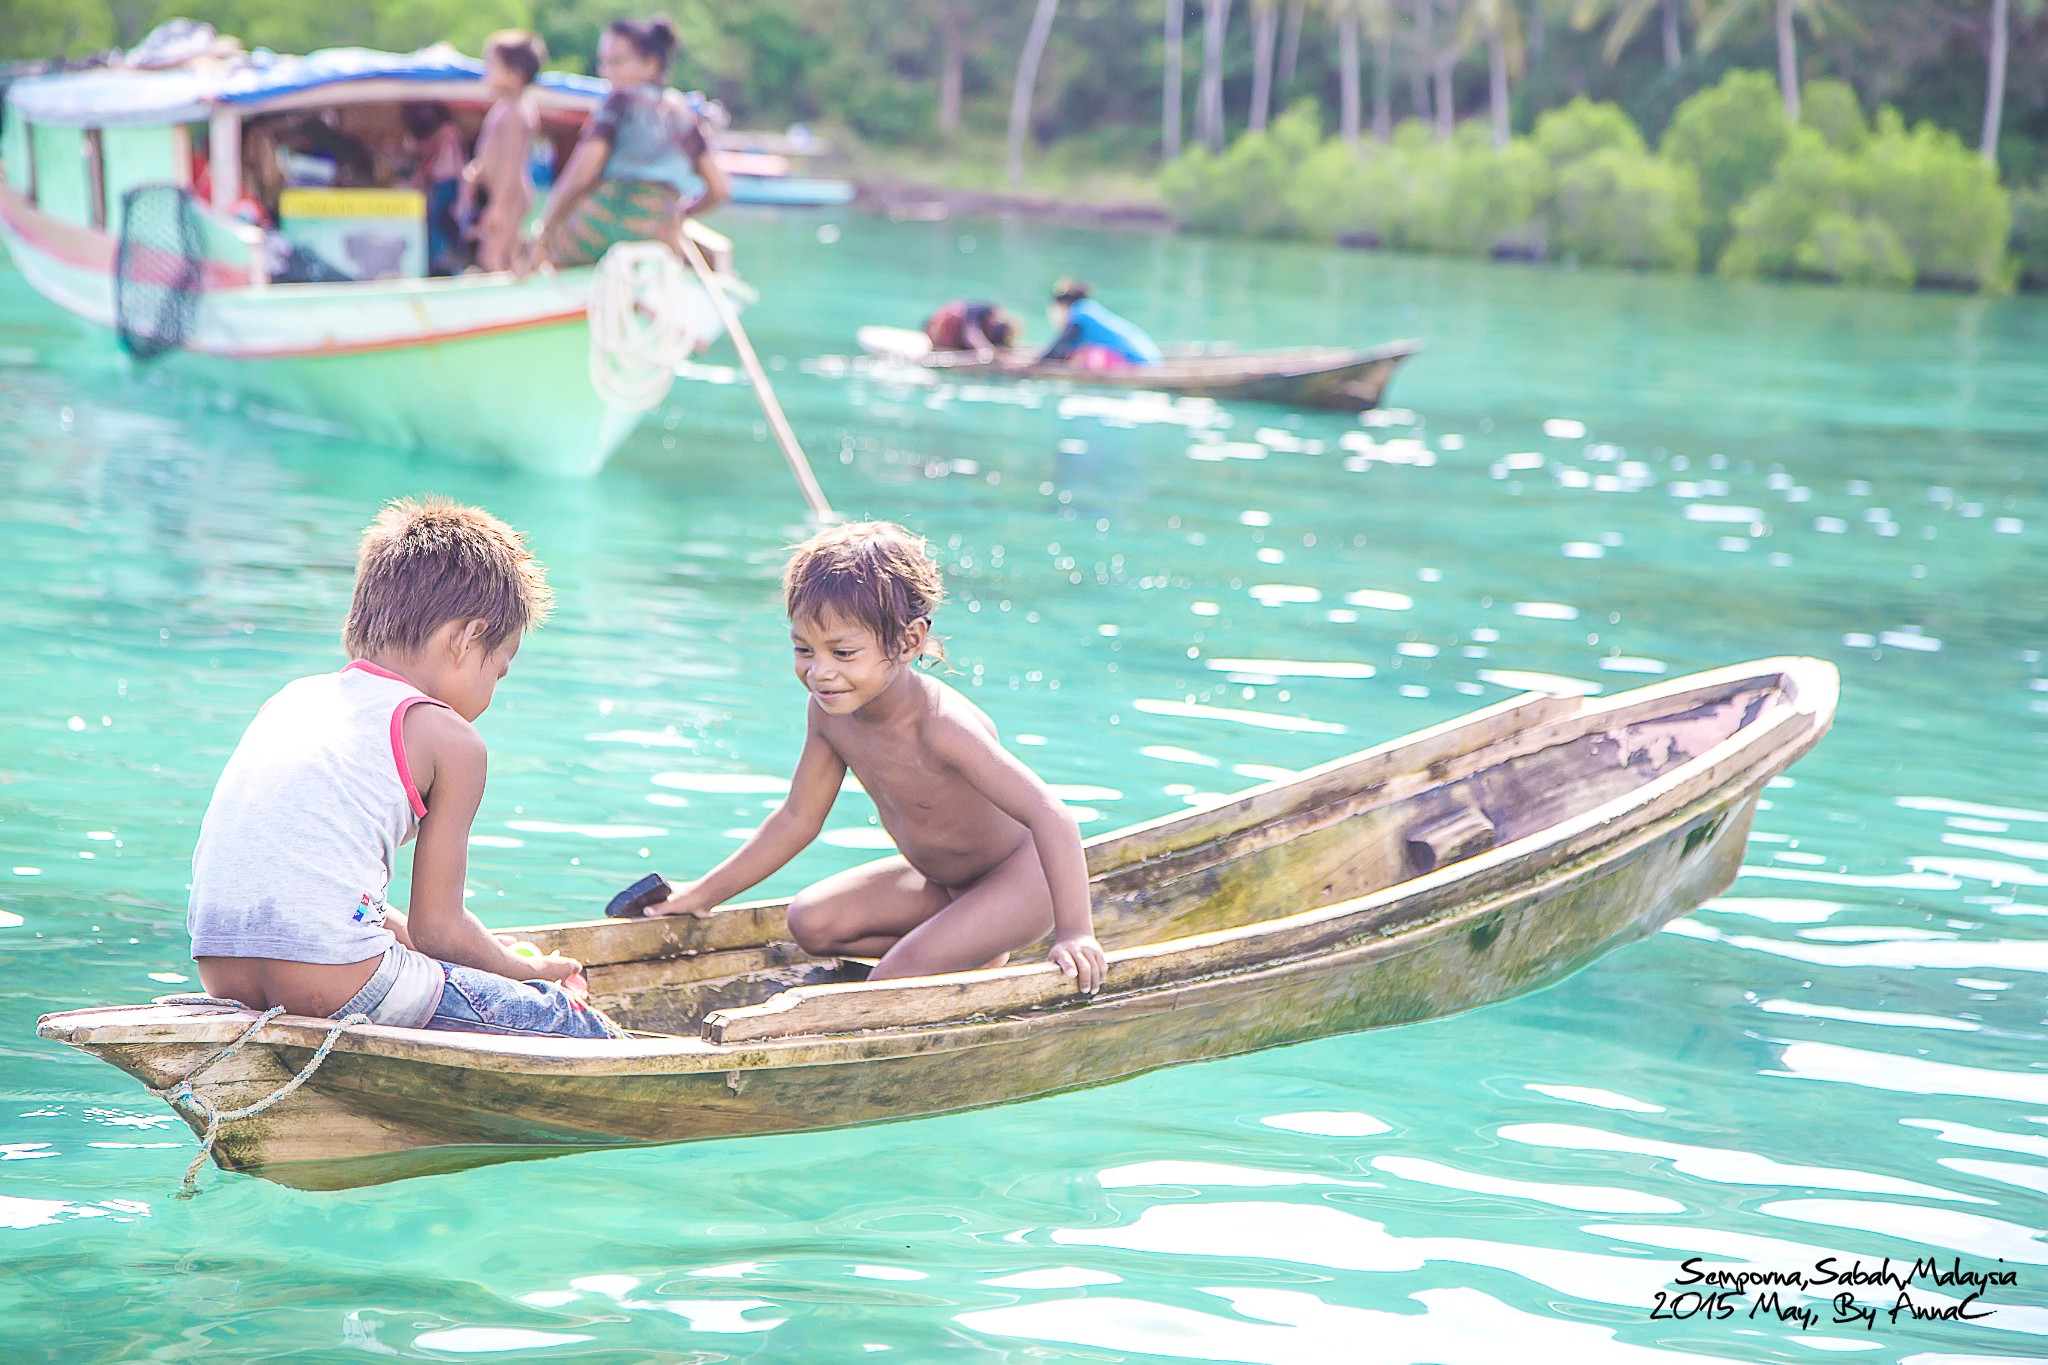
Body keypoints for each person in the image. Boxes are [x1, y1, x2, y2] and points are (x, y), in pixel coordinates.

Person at [187, 498, 617, 1039]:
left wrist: (479, 951)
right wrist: (525, 973)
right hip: (341, 979)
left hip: (222, 972)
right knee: (569, 1019)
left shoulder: (292, 700)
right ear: (465, 639)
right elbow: (440, 930)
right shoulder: (452, 741)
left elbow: (320, 892)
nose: (491, 695)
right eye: (498, 673)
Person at [645, 522, 1108, 994]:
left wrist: (1076, 933)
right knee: (810, 923)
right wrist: (702, 894)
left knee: (888, 985)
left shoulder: (941, 724)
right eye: (803, 649)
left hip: (1020, 883)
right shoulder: (828, 714)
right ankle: (971, 946)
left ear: (908, 643)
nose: (820, 672)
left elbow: (1051, 815)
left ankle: (966, 942)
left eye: (843, 652)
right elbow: (798, 818)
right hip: (940, 885)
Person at [522, 16, 729, 271]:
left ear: (651, 64)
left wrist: (544, 231)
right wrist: (680, 213)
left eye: (616, 62)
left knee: (540, 256)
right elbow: (719, 190)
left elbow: (581, 174)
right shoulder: (686, 115)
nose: (607, 72)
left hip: (604, 222)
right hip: (660, 232)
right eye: (604, 63)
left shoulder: (618, 102)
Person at [460, 30, 547, 273]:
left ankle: (506, 301)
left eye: (492, 67)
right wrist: (478, 168)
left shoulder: (517, 112)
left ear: (514, 75)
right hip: (500, 193)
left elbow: (512, 161)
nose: (486, 74)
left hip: (509, 195)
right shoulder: (504, 107)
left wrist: (499, 205)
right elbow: (493, 151)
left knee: (494, 255)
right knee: (501, 250)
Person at [1037, 278, 1162, 371]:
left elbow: (1058, 345)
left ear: (1062, 305)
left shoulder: (1080, 315)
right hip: (1152, 357)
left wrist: (1035, 363)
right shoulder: (1088, 309)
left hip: (1139, 363)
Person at [402, 102, 468, 274]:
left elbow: (434, 159)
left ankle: (442, 265)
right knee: (440, 222)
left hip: (447, 182)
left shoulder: (447, 131)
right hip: (444, 182)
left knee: (439, 222)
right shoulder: (446, 131)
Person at [923, 300, 1020, 360]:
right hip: (953, 332)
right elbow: (971, 332)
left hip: (956, 340)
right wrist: (985, 349)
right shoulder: (984, 311)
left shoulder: (997, 334)